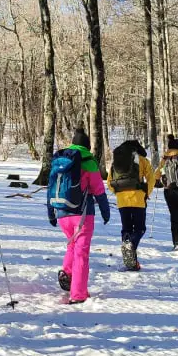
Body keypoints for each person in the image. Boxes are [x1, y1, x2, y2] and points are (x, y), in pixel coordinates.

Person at [47, 129, 110, 304]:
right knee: (81, 253)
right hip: (82, 214)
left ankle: (67, 273)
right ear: (87, 145)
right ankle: (78, 294)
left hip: (61, 212)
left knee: (72, 245)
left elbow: (50, 185)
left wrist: (50, 212)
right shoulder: (89, 161)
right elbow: (98, 190)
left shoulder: (62, 159)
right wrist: (105, 211)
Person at [108, 139, 154, 270]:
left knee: (126, 229)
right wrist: (146, 193)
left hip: (122, 200)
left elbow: (110, 182)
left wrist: (118, 192)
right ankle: (131, 246)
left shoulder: (116, 162)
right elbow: (151, 179)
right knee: (140, 229)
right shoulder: (142, 160)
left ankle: (131, 262)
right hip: (138, 199)